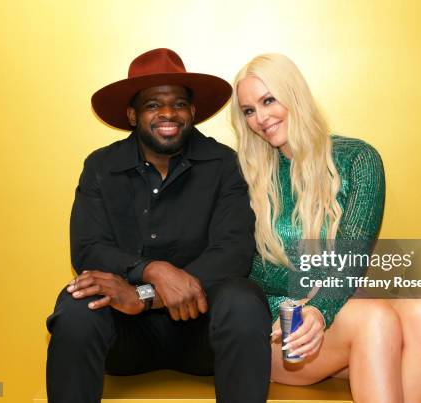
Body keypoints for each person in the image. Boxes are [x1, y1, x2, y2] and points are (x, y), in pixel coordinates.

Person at [46, 48, 272, 403]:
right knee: (77, 304)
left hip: (203, 336)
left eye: (179, 103)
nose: (168, 113)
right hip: (125, 338)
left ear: (193, 112)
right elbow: (88, 248)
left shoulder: (224, 164)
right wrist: (150, 270)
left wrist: (145, 296)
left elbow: (234, 252)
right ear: (133, 114)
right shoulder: (101, 166)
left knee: (244, 300)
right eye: (153, 105)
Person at [230, 53, 421, 403]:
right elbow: (247, 269)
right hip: (277, 331)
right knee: (373, 318)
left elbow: (353, 257)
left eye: (268, 100)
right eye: (248, 110)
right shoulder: (244, 175)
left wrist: (320, 305)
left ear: (294, 94)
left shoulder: (358, 159)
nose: (260, 118)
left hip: (339, 313)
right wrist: (315, 291)